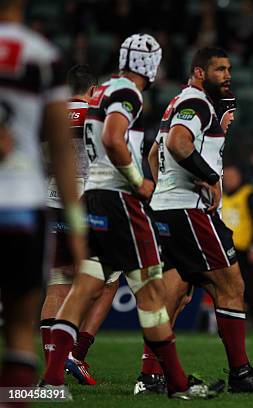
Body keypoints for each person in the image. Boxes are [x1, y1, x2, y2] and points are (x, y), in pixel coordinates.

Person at [40, 33, 218, 400]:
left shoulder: (102, 91)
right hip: (120, 201)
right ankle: (179, 385)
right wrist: (139, 182)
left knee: (84, 286)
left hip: (94, 200)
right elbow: (113, 138)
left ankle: (51, 380)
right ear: (148, 65)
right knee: (152, 290)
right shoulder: (127, 93)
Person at [143, 47, 253, 394]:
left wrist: (160, 190)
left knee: (174, 296)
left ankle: (149, 376)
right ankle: (242, 374)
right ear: (199, 72)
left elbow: (153, 153)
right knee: (231, 286)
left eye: (229, 69)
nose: (227, 75)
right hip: (191, 210)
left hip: (169, 208)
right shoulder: (197, 104)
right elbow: (179, 143)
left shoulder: (179, 103)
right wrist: (210, 178)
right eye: (220, 69)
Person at [0, 0, 85, 389]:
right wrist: (78, 221)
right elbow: (60, 150)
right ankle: (21, 392)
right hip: (24, 200)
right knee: (20, 325)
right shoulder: (40, 54)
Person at [39, 64, 119, 386]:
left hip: (51, 201)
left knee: (57, 284)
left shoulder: (50, 115)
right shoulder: (96, 114)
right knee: (108, 278)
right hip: (88, 204)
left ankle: (52, 370)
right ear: (93, 89)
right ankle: (77, 353)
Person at [222, 163, 253, 331]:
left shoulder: (249, 195)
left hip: (244, 251)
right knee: (227, 291)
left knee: (251, 291)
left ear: (240, 177)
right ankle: (231, 326)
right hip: (225, 252)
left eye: (232, 177)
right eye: (226, 178)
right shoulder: (221, 197)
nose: (228, 181)